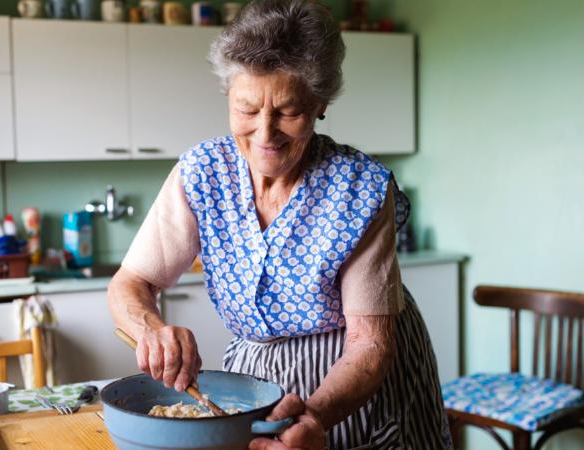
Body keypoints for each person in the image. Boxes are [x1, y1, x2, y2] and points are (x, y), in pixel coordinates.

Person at [107, 0, 451, 448]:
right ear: (229, 95)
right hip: (256, 379)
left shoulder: (360, 189)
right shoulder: (202, 172)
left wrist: (317, 416)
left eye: (288, 111)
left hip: (356, 382)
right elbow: (130, 282)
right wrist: (150, 329)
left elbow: (370, 343)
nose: (265, 134)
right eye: (247, 110)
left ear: (319, 103)